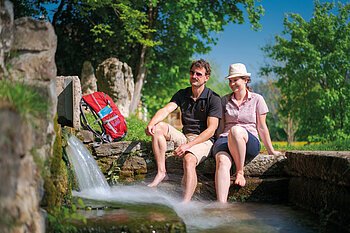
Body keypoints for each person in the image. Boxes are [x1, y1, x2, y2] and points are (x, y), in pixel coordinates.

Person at [145, 59, 222, 203]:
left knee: (189, 159)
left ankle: (185, 203)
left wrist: (188, 146)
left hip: (204, 141)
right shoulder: (182, 94)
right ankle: (162, 173)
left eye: (199, 74)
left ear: (207, 77)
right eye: (192, 73)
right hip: (186, 136)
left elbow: (212, 130)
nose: (194, 76)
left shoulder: (214, 99)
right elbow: (167, 109)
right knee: (158, 128)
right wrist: (151, 123)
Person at [213, 63, 281, 203]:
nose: (232, 83)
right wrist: (214, 143)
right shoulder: (224, 100)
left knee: (236, 130)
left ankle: (239, 172)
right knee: (222, 161)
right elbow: (221, 127)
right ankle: (221, 206)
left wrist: (271, 151)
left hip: (248, 142)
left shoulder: (257, 99)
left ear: (245, 80)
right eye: (230, 80)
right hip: (225, 140)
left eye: (235, 80)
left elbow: (262, 127)